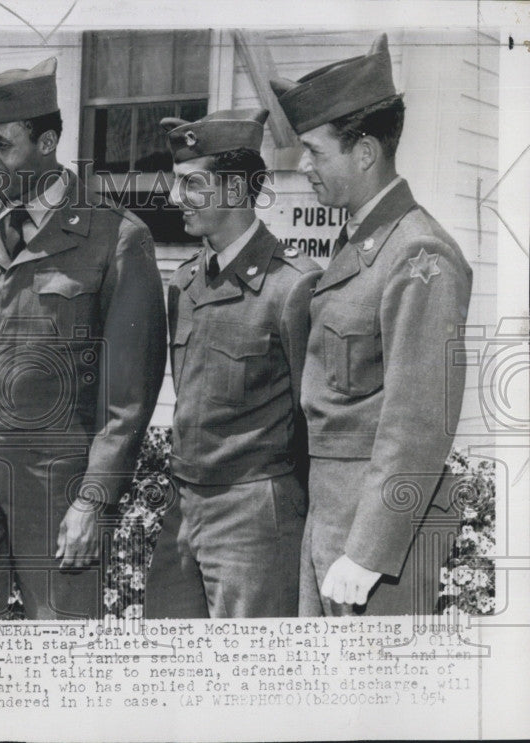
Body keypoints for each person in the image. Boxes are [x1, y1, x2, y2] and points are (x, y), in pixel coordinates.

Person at [0, 57, 166, 621]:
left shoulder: (116, 238)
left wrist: (94, 499)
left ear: (48, 141)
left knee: (63, 650)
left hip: (56, 480)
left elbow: (128, 398)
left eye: (1, 143)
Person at [270, 34, 473, 615]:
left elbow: (418, 419)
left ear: (364, 153)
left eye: (315, 151)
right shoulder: (360, 242)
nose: (304, 166)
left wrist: (368, 551)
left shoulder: (418, 253)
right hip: (334, 516)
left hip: (378, 538)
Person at [144, 109, 321, 619]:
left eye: (193, 184)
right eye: (177, 183)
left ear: (239, 189)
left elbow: (312, 422)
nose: (177, 198)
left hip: (254, 516)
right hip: (183, 509)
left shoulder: (291, 288)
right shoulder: (183, 284)